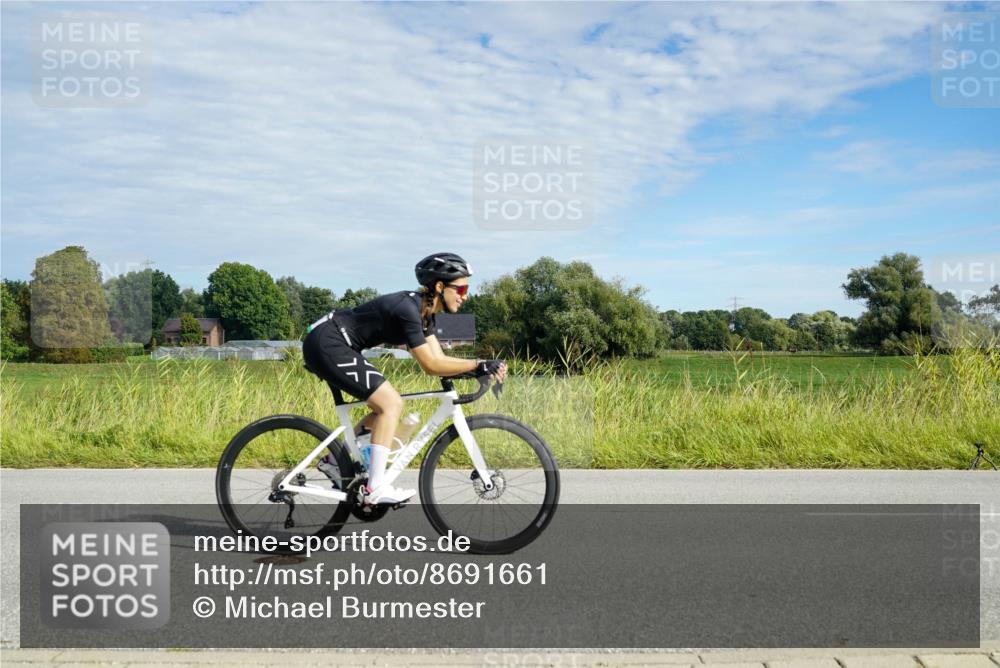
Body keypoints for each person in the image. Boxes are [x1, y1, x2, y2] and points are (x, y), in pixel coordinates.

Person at [301, 253, 507, 505]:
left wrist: (478, 370)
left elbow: (439, 359)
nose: (466, 295)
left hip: (333, 341)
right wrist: (479, 364)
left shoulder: (424, 314)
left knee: (383, 407)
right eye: (461, 288)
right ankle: (374, 488)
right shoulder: (408, 310)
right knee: (391, 404)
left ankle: (334, 462)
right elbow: (431, 365)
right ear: (440, 287)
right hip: (327, 342)